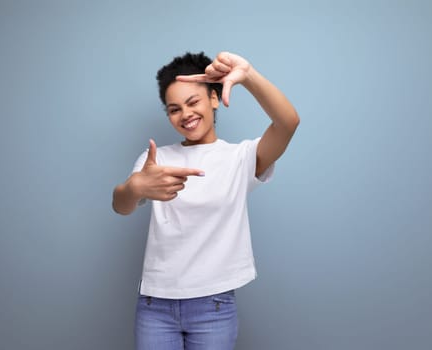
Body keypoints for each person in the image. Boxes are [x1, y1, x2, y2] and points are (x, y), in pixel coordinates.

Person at [112, 51, 299, 350]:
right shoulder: (156, 158)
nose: (185, 114)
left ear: (214, 98)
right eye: (174, 109)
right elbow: (121, 205)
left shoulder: (240, 157)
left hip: (213, 306)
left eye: (193, 102)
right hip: (155, 305)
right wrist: (135, 187)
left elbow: (288, 122)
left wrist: (248, 76)